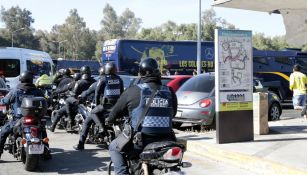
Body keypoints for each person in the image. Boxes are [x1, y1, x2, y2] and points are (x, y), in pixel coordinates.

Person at [106, 58, 177, 175]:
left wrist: (110, 119)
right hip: (166, 141)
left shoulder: (133, 91)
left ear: (141, 73)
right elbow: (172, 114)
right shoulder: (169, 91)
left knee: (114, 147)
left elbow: (115, 112)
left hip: (140, 143)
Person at [0, 71, 50, 159]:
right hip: (35, 119)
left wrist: (2, 101)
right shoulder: (38, 91)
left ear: (21, 79)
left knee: (3, 132)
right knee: (42, 131)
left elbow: (5, 101)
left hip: (18, 119)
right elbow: (46, 102)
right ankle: (47, 151)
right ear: (31, 80)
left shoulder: (15, 91)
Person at [73, 63, 124, 150]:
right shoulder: (119, 79)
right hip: (116, 106)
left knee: (88, 120)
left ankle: (81, 144)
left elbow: (96, 93)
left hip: (105, 106)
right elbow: (122, 93)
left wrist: (96, 105)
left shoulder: (103, 79)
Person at [49, 66, 95, 132]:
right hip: (90, 103)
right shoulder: (94, 81)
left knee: (60, 111)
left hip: (78, 103)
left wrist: (55, 92)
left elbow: (71, 93)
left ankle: (56, 126)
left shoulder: (77, 83)